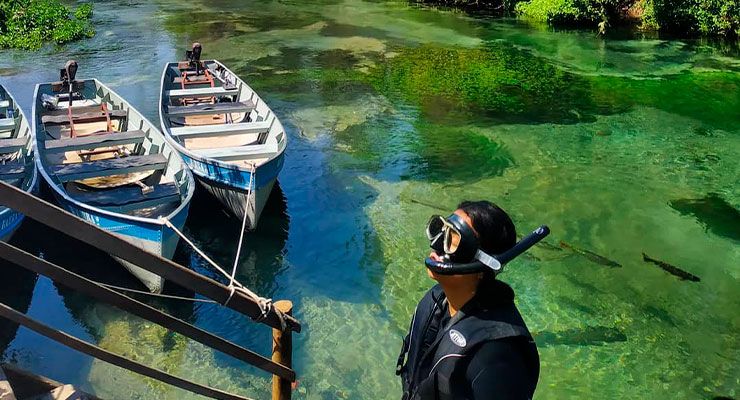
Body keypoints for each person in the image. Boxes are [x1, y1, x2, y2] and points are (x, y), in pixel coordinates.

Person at [396, 200, 541, 400]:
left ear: (482, 266)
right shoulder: (437, 300)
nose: (437, 246)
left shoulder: (495, 352)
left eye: (453, 240)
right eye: (440, 231)